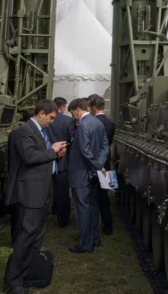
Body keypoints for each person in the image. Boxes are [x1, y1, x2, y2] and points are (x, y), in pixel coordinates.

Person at [3, 100, 66, 294]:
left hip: (40, 192)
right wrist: (52, 151)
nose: (52, 121)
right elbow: (30, 157)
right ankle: (14, 282)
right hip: (30, 194)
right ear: (41, 113)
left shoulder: (38, 131)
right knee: (26, 237)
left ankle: (26, 274)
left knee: (35, 237)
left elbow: (40, 156)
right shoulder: (24, 132)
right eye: (51, 117)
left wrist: (56, 155)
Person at [66, 97, 109, 254]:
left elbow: (84, 150)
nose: (73, 117)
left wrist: (97, 165)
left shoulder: (83, 125)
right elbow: (105, 146)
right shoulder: (98, 123)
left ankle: (85, 244)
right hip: (93, 173)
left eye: (73, 113)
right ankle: (95, 238)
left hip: (80, 173)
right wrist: (99, 164)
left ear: (78, 110)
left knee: (82, 209)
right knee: (93, 206)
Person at [88, 94, 115, 235]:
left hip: (94, 163)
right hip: (106, 163)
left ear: (93, 107)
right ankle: (108, 226)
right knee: (104, 196)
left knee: (93, 197)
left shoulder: (92, 122)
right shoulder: (110, 123)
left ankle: (94, 227)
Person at [47, 97, 73, 228]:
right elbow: (72, 142)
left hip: (45, 160)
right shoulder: (68, 121)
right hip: (62, 162)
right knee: (62, 192)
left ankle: (51, 210)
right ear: (62, 107)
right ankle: (63, 219)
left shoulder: (45, 120)